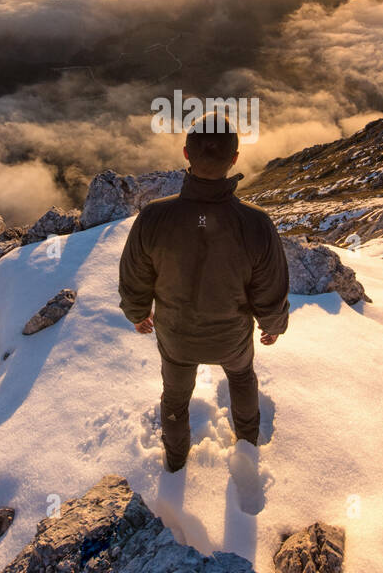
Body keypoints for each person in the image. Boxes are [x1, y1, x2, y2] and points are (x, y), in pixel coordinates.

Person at [118, 111, 289, 472]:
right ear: (235, 159)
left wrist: (137, 314)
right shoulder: (255, 223)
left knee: (176, 396)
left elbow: (134, 276)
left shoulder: (153, 217)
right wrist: (273, 324)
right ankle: (246, 445)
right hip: (231, 339)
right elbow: (269, 286)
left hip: (176, 338)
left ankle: (176, 461)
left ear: (185, 154)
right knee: (242, 378)